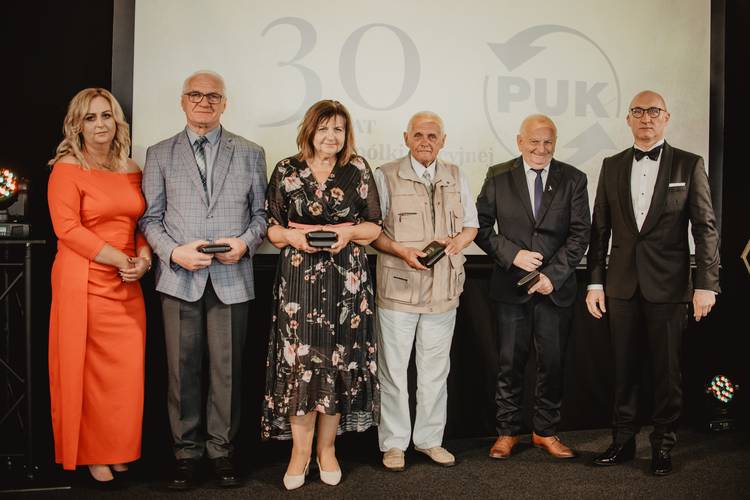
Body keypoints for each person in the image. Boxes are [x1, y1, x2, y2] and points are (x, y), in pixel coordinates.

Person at [139, 70, 268, 489]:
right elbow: (150, 218)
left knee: (227, 371)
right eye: (195, 94)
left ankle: (221, 451)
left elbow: (262, 216)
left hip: (232, 277)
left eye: (213, 96)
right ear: (182, 101)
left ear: (225, 103)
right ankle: (185, 453)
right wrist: (174, 252)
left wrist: (245, 244)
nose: (204, 102)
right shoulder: (159, 153)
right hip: (179, 277)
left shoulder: (250, 152)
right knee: (181, 370)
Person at [586, 90, 720, 476]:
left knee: (667, 372)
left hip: (670, 286)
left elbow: (705, 228)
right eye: (639, 111)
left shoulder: (689, 164)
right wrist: (595, 283)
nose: (646, 118)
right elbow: (600, 229)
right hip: (621, 286)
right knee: (623, 370)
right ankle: (622, 441)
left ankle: (663, 445)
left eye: (654, 111)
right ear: (628, 118)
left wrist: (706, 284)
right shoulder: (612, 165)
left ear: (666, 117)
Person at [261, 99, 382, 490]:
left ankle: (327, 451)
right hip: (299, 281)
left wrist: (349, 232)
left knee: (337, 361)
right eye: (324, 128)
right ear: (310, 130)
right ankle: (299, 454)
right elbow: (270, 227)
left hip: (347, 283)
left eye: (339, 129)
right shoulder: (287, 169)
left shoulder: (357, 169)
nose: (331, 136)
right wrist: (292, 236)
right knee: (301, 364)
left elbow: (375, 227)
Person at [47, 88, 151, 484]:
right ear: (77, 125)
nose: (100, 124)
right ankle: (92, 455)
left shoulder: (130, 166)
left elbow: (140, 224)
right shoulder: (66, 168)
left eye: (106, 115)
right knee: (88, 373)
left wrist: (143, 261)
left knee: (125, 374)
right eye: (90, 118)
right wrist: (120, 259)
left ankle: (120, 449)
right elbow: (68, 229)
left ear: (116, 120)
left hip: (127, 281)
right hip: (84, 279)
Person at [475, 114, 590, 461]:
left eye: (548, 142)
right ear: (519, 141)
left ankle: (545, 431)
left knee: (552, 364)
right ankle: (507, 432)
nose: (541, 149)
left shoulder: (574, 178)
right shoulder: (498, 175)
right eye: (534, 141)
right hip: (510, 286)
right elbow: (480, 227)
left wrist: (551, 276)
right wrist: (513, 255)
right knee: (509, 363)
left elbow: (580, 233)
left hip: (555, 289)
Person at [371, 111, 478, 471]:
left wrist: (457, 242)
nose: (425, 142)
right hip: (398, 292)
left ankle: (430, 440)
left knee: (434, 372)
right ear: (406, 138)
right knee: (393, 372)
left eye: (433, 136)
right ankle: (394, 444)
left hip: (443, 292)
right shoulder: (385, 175)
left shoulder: (456, 175)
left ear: (443, 141)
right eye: (418, 135)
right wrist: (401, 251)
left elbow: (471, 225)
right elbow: (372, 232)